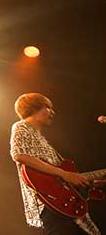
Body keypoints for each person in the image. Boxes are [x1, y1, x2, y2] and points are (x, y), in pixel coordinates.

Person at [10, 93, 101, 234]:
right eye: (47, 107)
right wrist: (64, 174)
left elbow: (66, 180)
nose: (52, 112)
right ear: (33, 108)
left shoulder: (44, 142)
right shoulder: (21, 126)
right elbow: (20, 155)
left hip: (66, 203)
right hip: (50, 202)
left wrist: (90, 182)